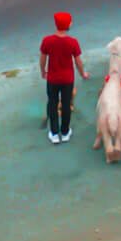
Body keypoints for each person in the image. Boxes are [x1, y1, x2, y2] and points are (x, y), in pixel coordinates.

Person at [39, 9, 86, 145]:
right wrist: (83, 73)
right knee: (66, 104)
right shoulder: (73, 42)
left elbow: (43, 59)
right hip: (67, 79)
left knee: (52, 103)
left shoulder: (47, 41)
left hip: (52, 78)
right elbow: (78, 62)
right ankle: (65, 132)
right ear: (67, 25)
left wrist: (43, 71)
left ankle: (54, 133)